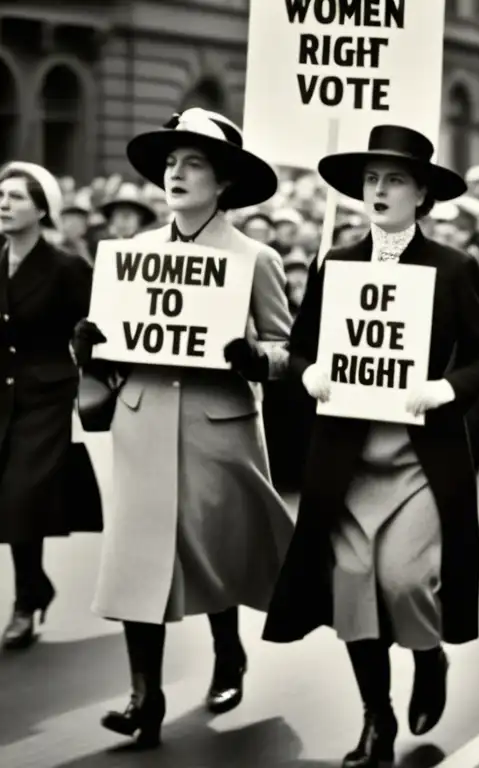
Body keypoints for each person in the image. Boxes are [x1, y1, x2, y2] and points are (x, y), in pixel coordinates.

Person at [261, 124, 479, 768]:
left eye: (395, 179)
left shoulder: (455, 268)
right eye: (371, 180)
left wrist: (444, 390)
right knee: (351, 582)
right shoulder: (335, 262)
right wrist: (309, 371)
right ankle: (377, 718)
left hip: (420, 458)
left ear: (422, 193)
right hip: (346, 457)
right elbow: (304, 345)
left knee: (402, 580)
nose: (380, 190)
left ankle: (428, 656)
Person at [71, 108, 295, 749]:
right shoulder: (129, 256)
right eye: (171, 163)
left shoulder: (255, 258)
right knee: (138, 560)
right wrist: (86, 347)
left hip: (216, 425)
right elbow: (108, 347)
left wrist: (257, 357)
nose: (176, 173)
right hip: (142, 424)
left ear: (222, 182)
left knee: (218, 549)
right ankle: (146, 696)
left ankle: (229, 653)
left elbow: (285, 347)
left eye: (192, 163)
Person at [0, 161, 102, 650]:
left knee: (22, 495)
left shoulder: (66, 267)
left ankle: (24, 601)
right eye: (1, 195)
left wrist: (85, 343)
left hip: (45, 395)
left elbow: (96, 328)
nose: (3, 203)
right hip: (2, 394)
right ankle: (36, 586)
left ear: (42, 209)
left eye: (16, 197)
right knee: (9, 497)